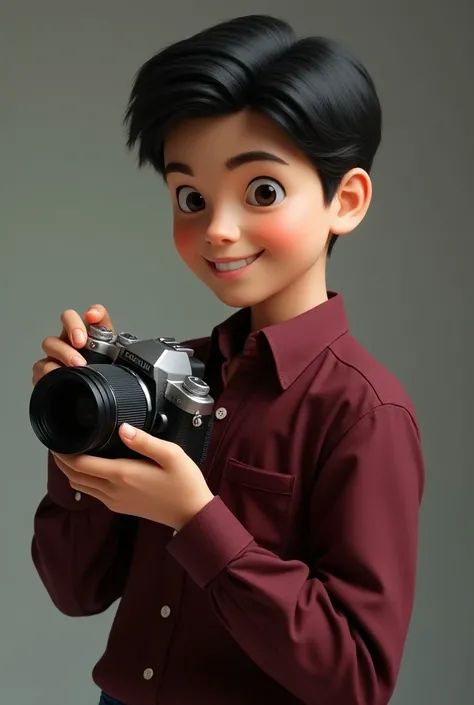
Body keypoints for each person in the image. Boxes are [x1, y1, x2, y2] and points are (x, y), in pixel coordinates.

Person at [30, 14, 425, 705]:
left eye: (262, 191)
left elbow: (358, 679)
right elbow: (74, 590)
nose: (218, 228)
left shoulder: (365, 411)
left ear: (347, 200)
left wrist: (197, 519)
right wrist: (81, 436)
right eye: (191, 197)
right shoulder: (166, 372)